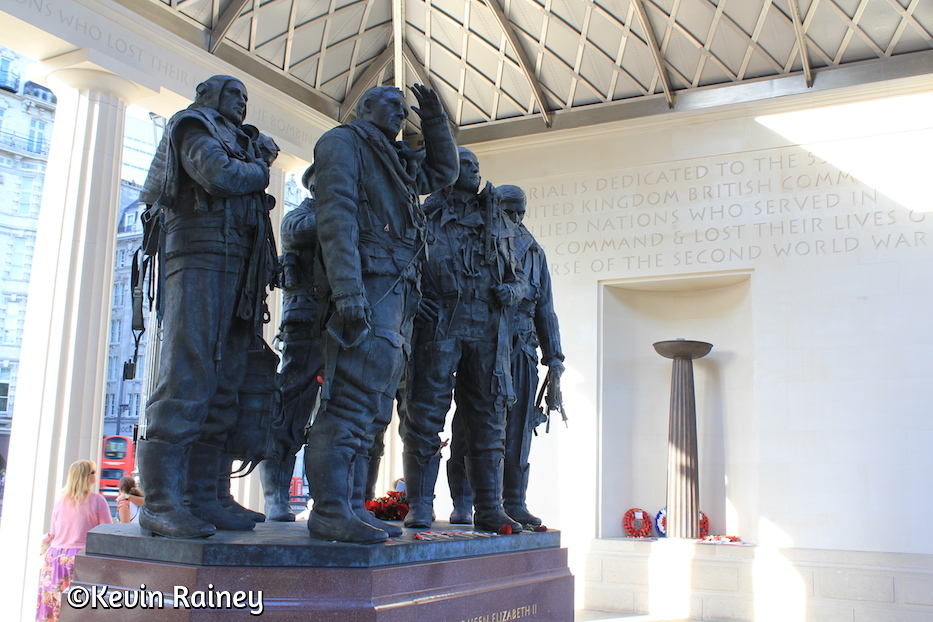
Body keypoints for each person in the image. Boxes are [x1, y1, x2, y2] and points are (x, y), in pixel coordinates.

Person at [303, 84, 458, 544]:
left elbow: (442, 172)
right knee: (349, 401)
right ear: (365, 107)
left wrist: (435, 124)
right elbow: (337, 217)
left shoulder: (393, 156)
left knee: (372, 411)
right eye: (391, 105)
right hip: (368, 285)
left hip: (398, 290)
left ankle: (351, 505)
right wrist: (348, 289)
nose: (400, 113)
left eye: (404, 110)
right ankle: (330, 510)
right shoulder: (343, 142)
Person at [137, 75, 279, 538]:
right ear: (209, 95)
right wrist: (261, 169)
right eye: (234, 93)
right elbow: (219, 175)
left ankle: (207, 495)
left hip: (238, 267)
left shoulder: (240, 139)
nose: (242, 101)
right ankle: (160, 503)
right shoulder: (194, 124)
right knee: (188, 374)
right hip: (198, 258)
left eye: (245, 94)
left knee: (228, 381)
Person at [400, 148, 527, 533]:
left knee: (488, 421)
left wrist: (512, 290)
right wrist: (414, 298)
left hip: (487, 328)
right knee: (424, 416)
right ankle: (420, 504)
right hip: (440, 325)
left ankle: (489, 507)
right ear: (450, 170)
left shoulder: (498, 220)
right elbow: (400, 261)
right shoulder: (422, 215)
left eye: (476, 166)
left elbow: (519, 276)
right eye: (468, 165)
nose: (476, 171)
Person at [447, 185, 565, 526]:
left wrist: (554, 356)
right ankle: (463, 502)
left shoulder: (534, 252)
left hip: (522, 349)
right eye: (507, 211)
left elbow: (546, 309)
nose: (514, 219)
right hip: (482, 345)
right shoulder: (476, 244)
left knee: (519, 429)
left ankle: (514, 501)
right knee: (470, 425)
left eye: (519, 212)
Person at [260, 164, 322, 521]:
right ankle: (275, 497)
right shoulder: (299, 218)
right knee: (290, 411)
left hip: (339, 326)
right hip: (306, 324)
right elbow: (310, 231)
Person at [37, 460, 112, 622]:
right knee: (81, 606)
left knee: (53, 605)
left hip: (55, 558)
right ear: (86, 477)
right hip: (80, 558)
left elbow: (53, 533)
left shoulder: (60, 502)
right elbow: (106, 532)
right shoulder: (98, 501)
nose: (95, 475)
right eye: (93, 472)